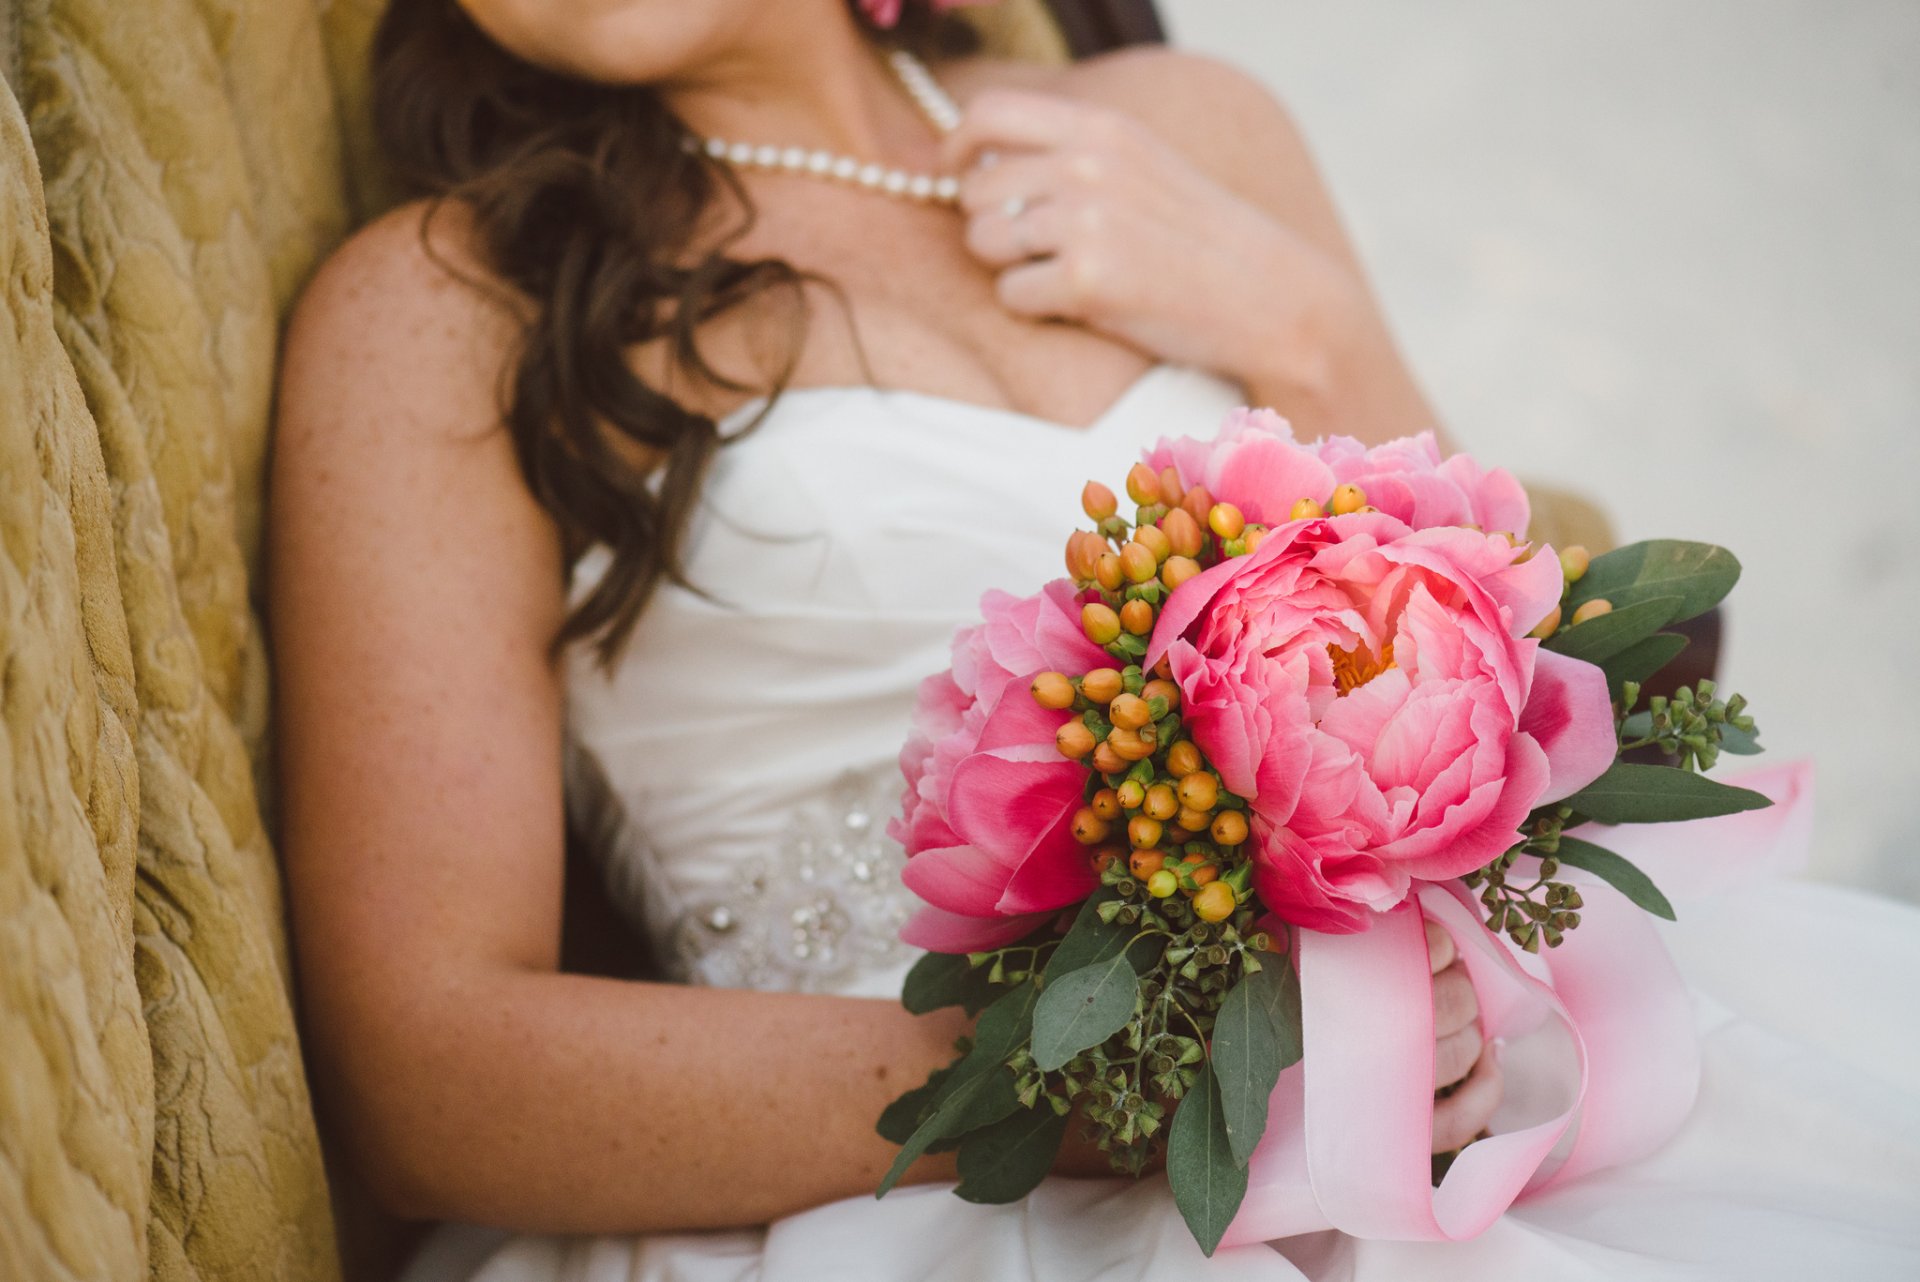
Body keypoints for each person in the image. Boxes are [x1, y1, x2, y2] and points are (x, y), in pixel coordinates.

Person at [267, 2, 1920, 1279]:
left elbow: (1509, 664)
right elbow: (430, 1073)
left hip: (1461, 1062)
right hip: (911, 1181)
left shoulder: (1186, 131)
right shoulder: (440, 312)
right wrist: (1099, 1079)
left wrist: (1301, 327)